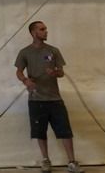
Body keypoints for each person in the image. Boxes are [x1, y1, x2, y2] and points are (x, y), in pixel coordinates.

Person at [15, 21, 81, 173]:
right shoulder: (25, 52)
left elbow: (61, 72)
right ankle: (45, 160)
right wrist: (26, 80)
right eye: (42, 29)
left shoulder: (53, 51)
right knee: (40, 131)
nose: (46, 32)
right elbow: (19, 72)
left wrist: (55, 73)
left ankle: (72, 162)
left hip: (55, 99)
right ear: (33, 32)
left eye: (46, 29)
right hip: (36, 100)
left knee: (65, 131)